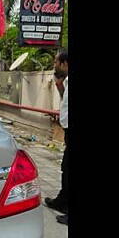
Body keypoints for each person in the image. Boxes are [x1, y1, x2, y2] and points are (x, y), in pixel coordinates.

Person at [44, 49, 69, 226]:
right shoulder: (67, 81)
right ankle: (62, 201)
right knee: (66, 168)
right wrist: (60, 87)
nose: (54, 65)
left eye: (56, 62)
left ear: (65, 64)